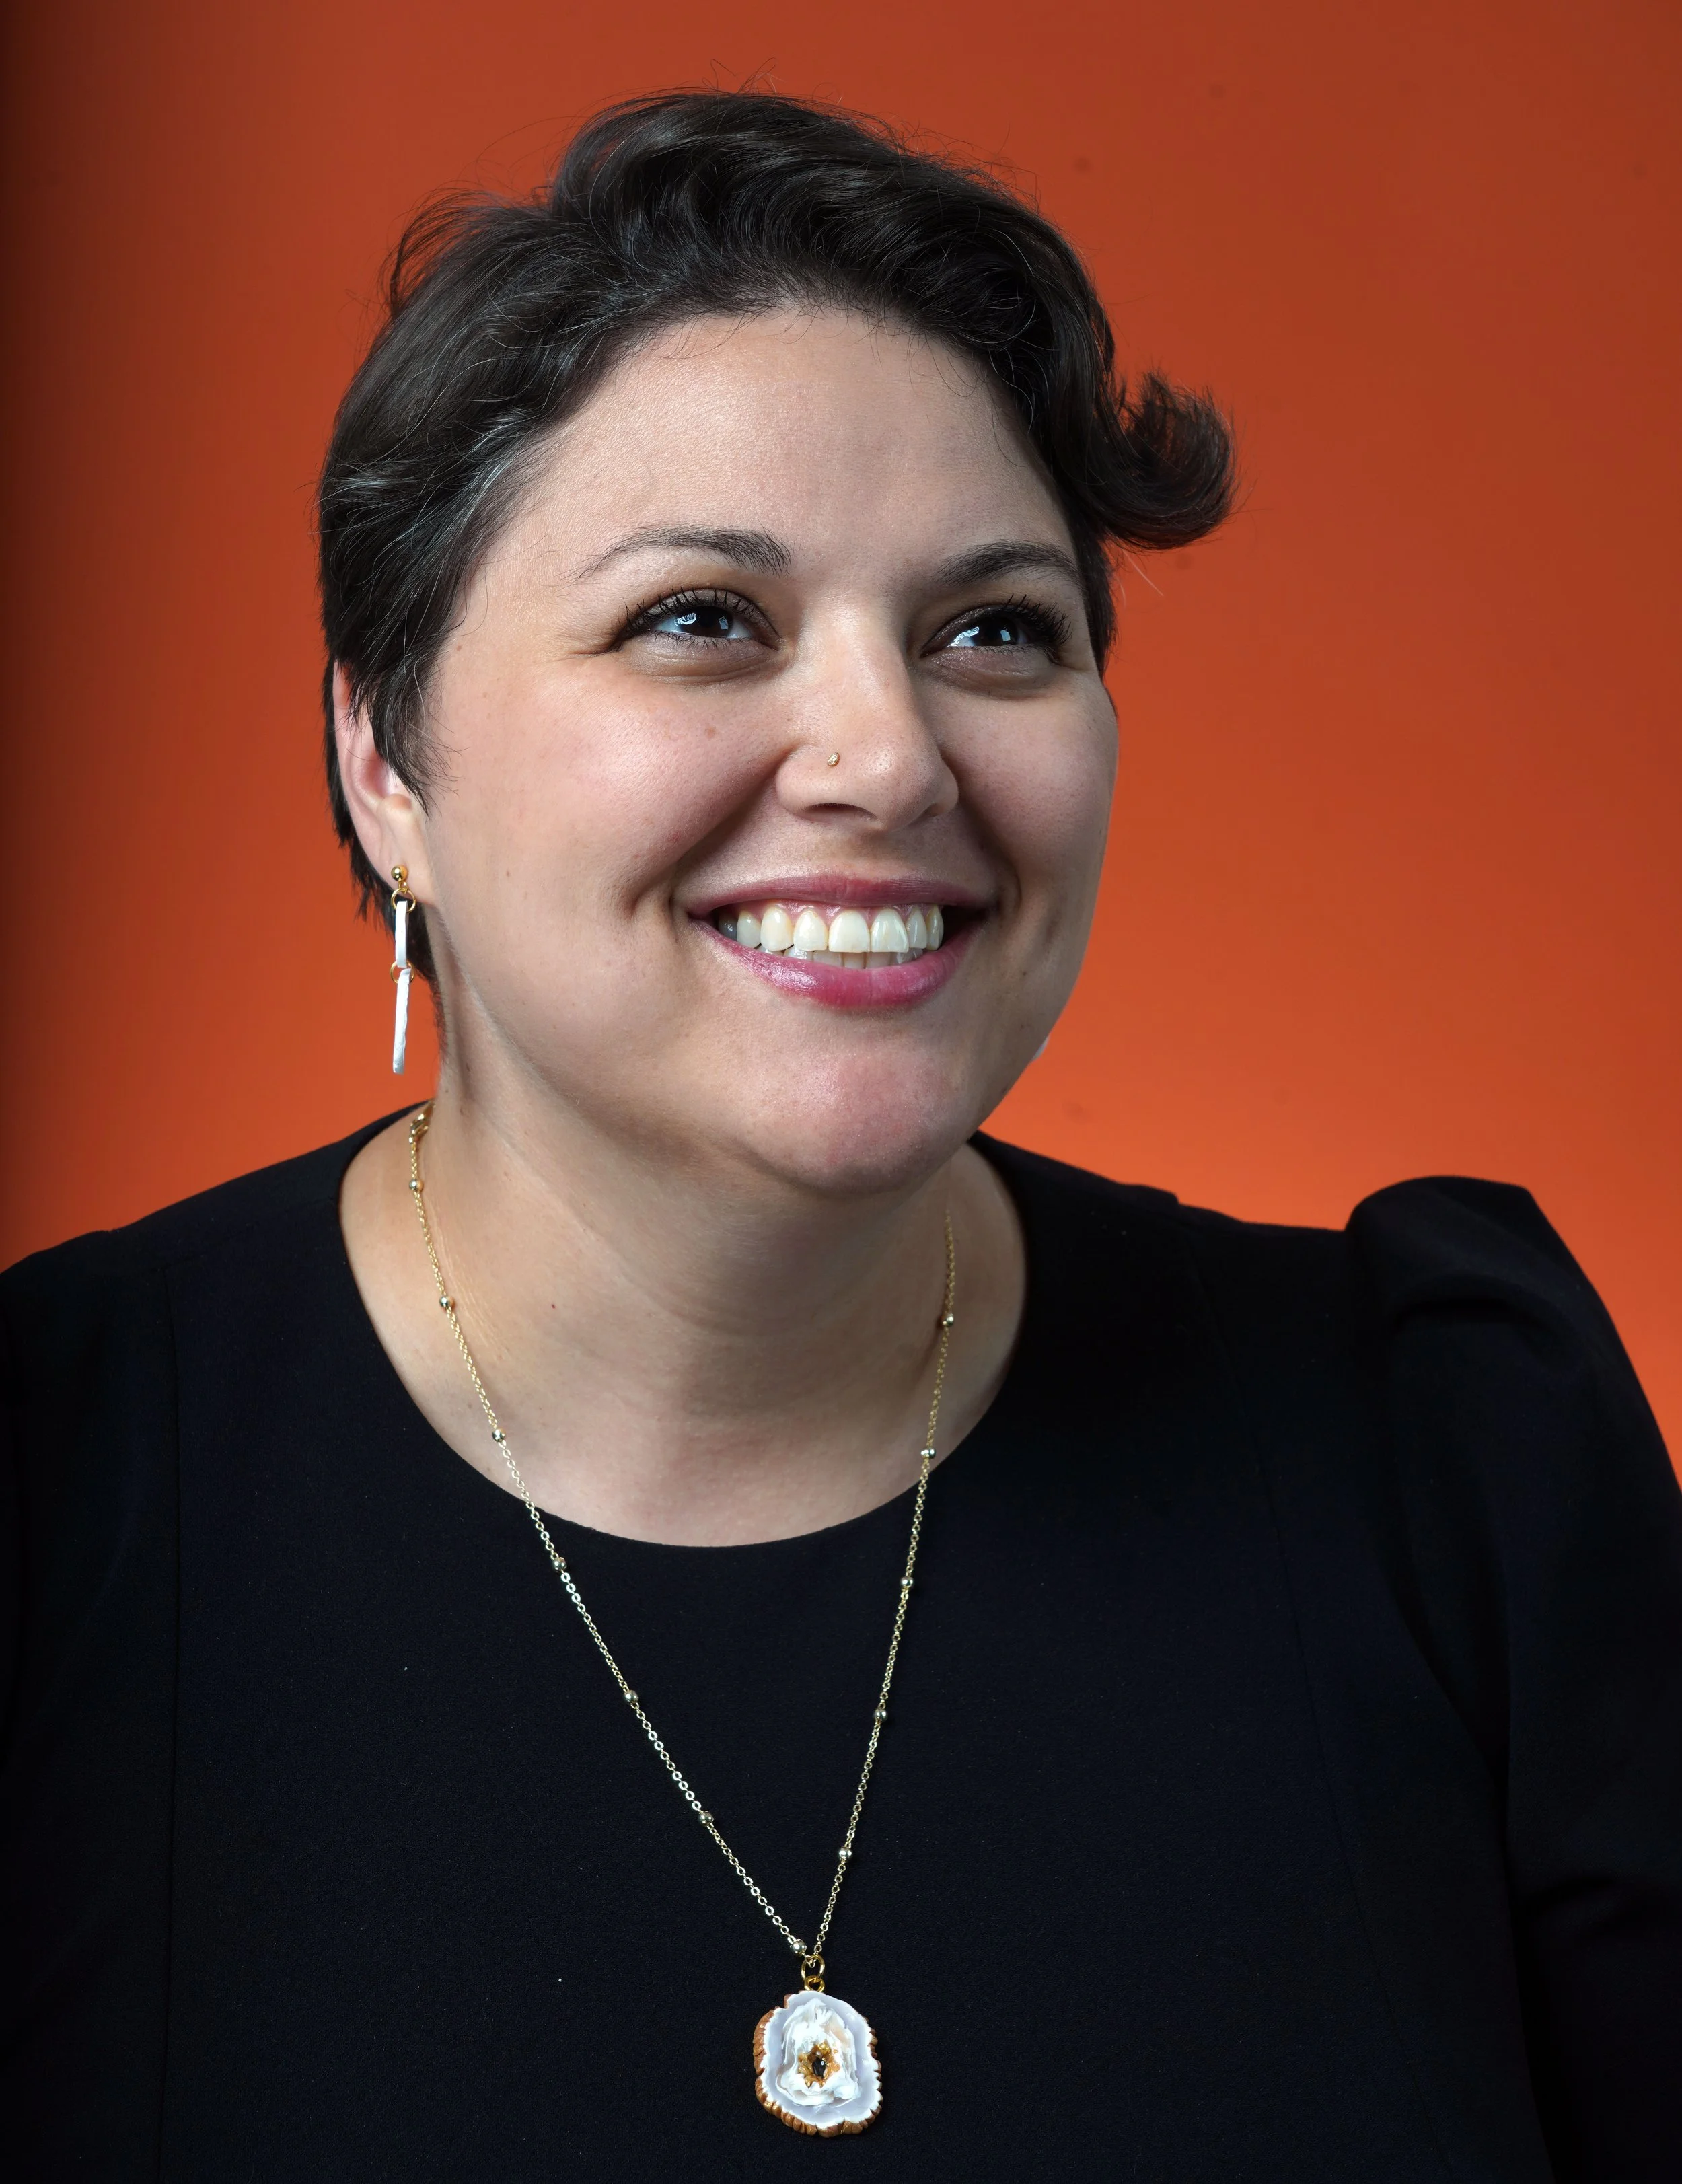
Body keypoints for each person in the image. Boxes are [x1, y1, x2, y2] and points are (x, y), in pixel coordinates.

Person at [3, 88, 1679, 2181]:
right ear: (384, 754)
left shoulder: (1451, 1465)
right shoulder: (46, 1493)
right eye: (701, 614)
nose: (889, 754)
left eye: (995, 629)